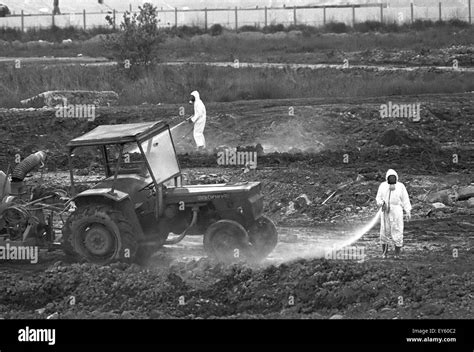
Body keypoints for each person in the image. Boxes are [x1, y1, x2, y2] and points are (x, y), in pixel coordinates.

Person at [376, 169, 411, 259]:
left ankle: (397, 253)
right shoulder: (383, 186)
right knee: (384, 231)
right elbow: (378, 198)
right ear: (387, 178)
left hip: (397, 211)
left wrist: (408, 211)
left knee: (397, 230)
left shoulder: (400, 186)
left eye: (393, 178)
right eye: (390, 178)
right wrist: (381, 203)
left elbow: (405, 199)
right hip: (385, 211)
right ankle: (385, 253)